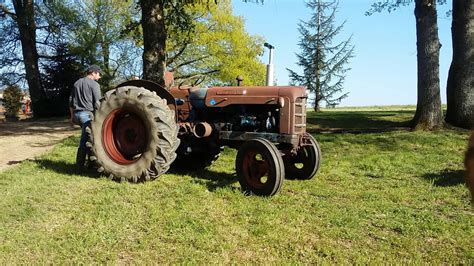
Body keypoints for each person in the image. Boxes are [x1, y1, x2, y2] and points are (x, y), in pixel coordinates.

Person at [70, 65, 102, 173]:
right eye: (98, 73)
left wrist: (72, 117)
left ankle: (90, 164)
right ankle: (79, 168)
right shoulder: (94, 85)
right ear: (93, 72)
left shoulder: (77, 83)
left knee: (89, 138)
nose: (99, 76)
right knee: (85, 140)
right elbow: (98, 103)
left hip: (77, 115)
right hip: (87, 116)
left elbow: (71, 101)